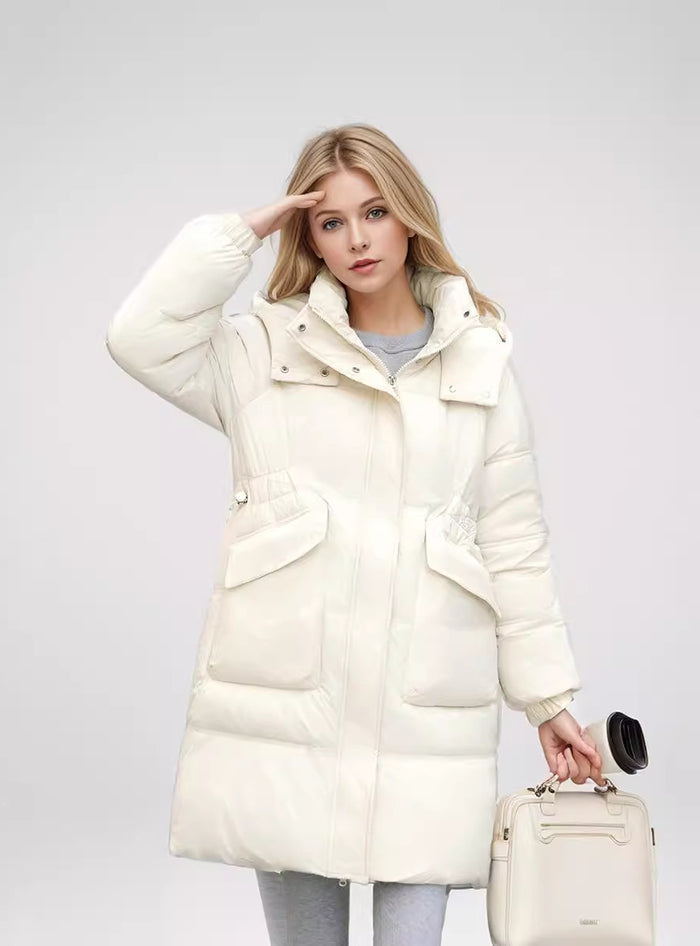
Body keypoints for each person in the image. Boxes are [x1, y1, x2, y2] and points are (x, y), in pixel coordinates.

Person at [105, 123, 604, 946]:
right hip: (292, 718)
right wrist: (241, 234)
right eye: (330, 222)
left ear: (409, 214)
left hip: (424, 724)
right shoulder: (265, 350)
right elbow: (139, 338)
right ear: (309, 237)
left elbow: (514, 544)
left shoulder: (479, 363)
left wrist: (549, 700)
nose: (358, 239)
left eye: (374, 212)